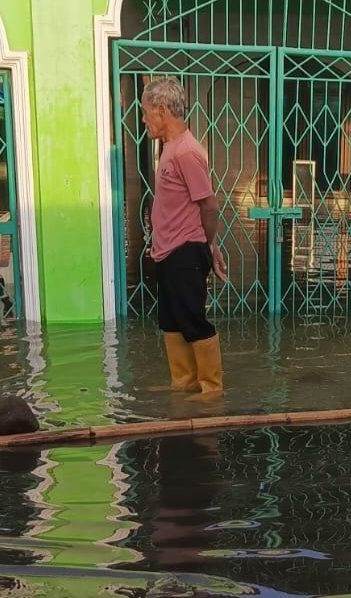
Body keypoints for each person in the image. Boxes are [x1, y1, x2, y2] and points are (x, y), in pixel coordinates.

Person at [141, 77, 228, 396]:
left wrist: (207, 245)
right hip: (167, 252)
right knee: (171, 321)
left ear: (162, 111)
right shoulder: (170, 149)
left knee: (192, 320)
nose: (144, 119)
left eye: (145, 111)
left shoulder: (187, 152)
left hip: (185, 252)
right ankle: (184, 384)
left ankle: (211, 390)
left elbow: (209, 205)